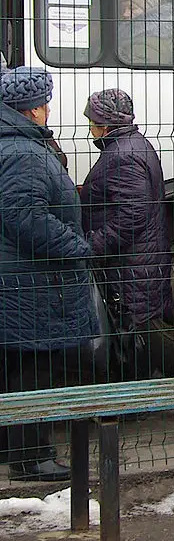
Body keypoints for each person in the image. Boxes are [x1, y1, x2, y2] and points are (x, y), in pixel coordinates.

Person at [0, 67, 97, 482]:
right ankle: (32, 455)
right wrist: (77, 246)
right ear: (35, 109)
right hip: (34, 283)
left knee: (17, 366)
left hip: (21, 280)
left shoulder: (16, 145)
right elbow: (24, 217)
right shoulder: (23, 152)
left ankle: (15, 447)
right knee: (35, 368)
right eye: (45, 103)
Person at [79, 89, 173, 379]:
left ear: (106, 125)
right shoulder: (131, 145)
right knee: (133, 334)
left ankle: (135, 401)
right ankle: (136, 394)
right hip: (136, 262)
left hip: (129, 266)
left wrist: (92, 244)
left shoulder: (122, 155)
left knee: (129, 336)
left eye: (93, 122)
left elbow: (133, 214)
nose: (90, 128)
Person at [117, 0, 174, 65]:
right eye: (123, 9)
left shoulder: (148, 46)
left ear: (149, 9)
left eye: (132, 8)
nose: (125, 14)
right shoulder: (141, 38)